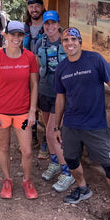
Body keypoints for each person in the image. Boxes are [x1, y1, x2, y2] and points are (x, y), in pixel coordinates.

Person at [54, 27, 110, 220]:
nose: (70, 43)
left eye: (73, 39)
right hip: (71, 125)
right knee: (71, 159)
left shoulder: (95, 59)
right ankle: (83, 188)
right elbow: (60, 99)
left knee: (109, 166)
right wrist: (57, 127)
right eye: (65, 40)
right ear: (62, 44)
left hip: (96, 125)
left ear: (80, 42)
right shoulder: (62, 68)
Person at [0, 21, 39, 200]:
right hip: (2, 112)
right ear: (6, 35)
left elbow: (34, 84)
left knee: (27, 150)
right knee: (4, 146)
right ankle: (7, 180)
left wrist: (32, 111)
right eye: (13, 34)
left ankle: (27, 180)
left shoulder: (29, 57)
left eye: (20, 35)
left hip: (23, 112)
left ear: (24, 36)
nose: (16, 38)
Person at [35, 11, 75, 193]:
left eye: (53, 23)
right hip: (44, 91)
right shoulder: (40, 42)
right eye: (46, 24)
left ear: (59, 24)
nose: (49, 27)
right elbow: (36, 68)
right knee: (47, 130)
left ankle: (68, 172)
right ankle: (55, 162)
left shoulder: (67, 42)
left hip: (61, 95)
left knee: (52, 133)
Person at [23, 0, 46, 149]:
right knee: (29, 104)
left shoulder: (49, 25)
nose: (34, 9)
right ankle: (31, 135)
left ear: (42, 7)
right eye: (31, 7)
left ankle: (46, 138)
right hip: (27, 72)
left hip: (45, 73)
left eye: (37, 6)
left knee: (45, 106)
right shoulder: (24, 27)